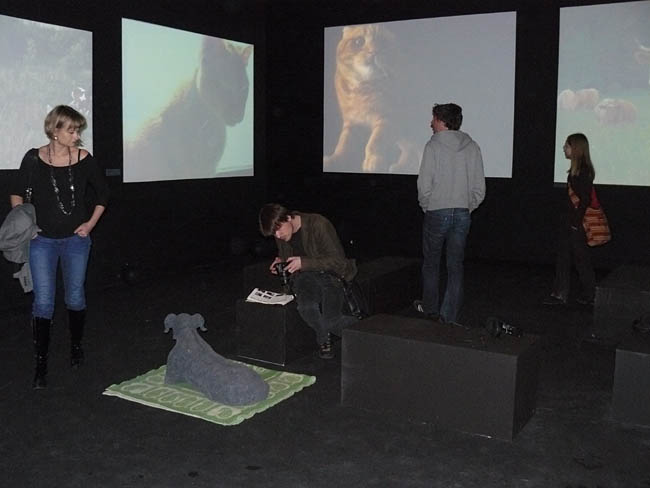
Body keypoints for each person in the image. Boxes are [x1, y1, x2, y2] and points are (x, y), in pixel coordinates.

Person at [9, 105, 109, 389]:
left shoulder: (83, 158)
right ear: (55, 131)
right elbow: (16, 193)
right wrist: (26, 225)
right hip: (42, 242)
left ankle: (76, 348)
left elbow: (103, 193)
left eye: (78, 130)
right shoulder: (33, 158)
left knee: (75, 298)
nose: (77, 135)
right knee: (43, 302)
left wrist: (89, 224)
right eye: (72, 130)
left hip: (76, 241)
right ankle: (40, 364)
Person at [414, 103, 486, 324]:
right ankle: (449, 316)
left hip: (437, 211)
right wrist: (467, 206)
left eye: (434, 119)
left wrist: (428, 205)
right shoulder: (472, 146)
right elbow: (479, 188)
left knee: (431, 263)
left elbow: (424, 184)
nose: (431, 123)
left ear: (442, 121)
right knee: (455, 265)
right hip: (462, 213)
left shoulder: (433, 146)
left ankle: (430, 310)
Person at [258, 203, 358, 359]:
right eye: (274, 233)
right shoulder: (282, 234)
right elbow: (286, 257)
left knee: (332, 321)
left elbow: (338, 261)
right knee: (306, 308)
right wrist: (280, 263)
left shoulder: (318, 224)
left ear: (288, 217)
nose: (277, 235)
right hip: (304, 277)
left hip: (330, 275)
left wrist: (304, 263)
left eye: (279, 229)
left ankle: (368, 331)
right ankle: (324, 339)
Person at [544, 133, 596, 306]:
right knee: (566, 257)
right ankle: (563, 293)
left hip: (574, 223)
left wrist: (575, 222)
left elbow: (584, 200)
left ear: (576, 148)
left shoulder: (582, 172)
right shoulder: (577, 171)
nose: (563, 149)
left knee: (579, 259)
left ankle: (587, 294)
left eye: (566, 146)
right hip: (570, 221)